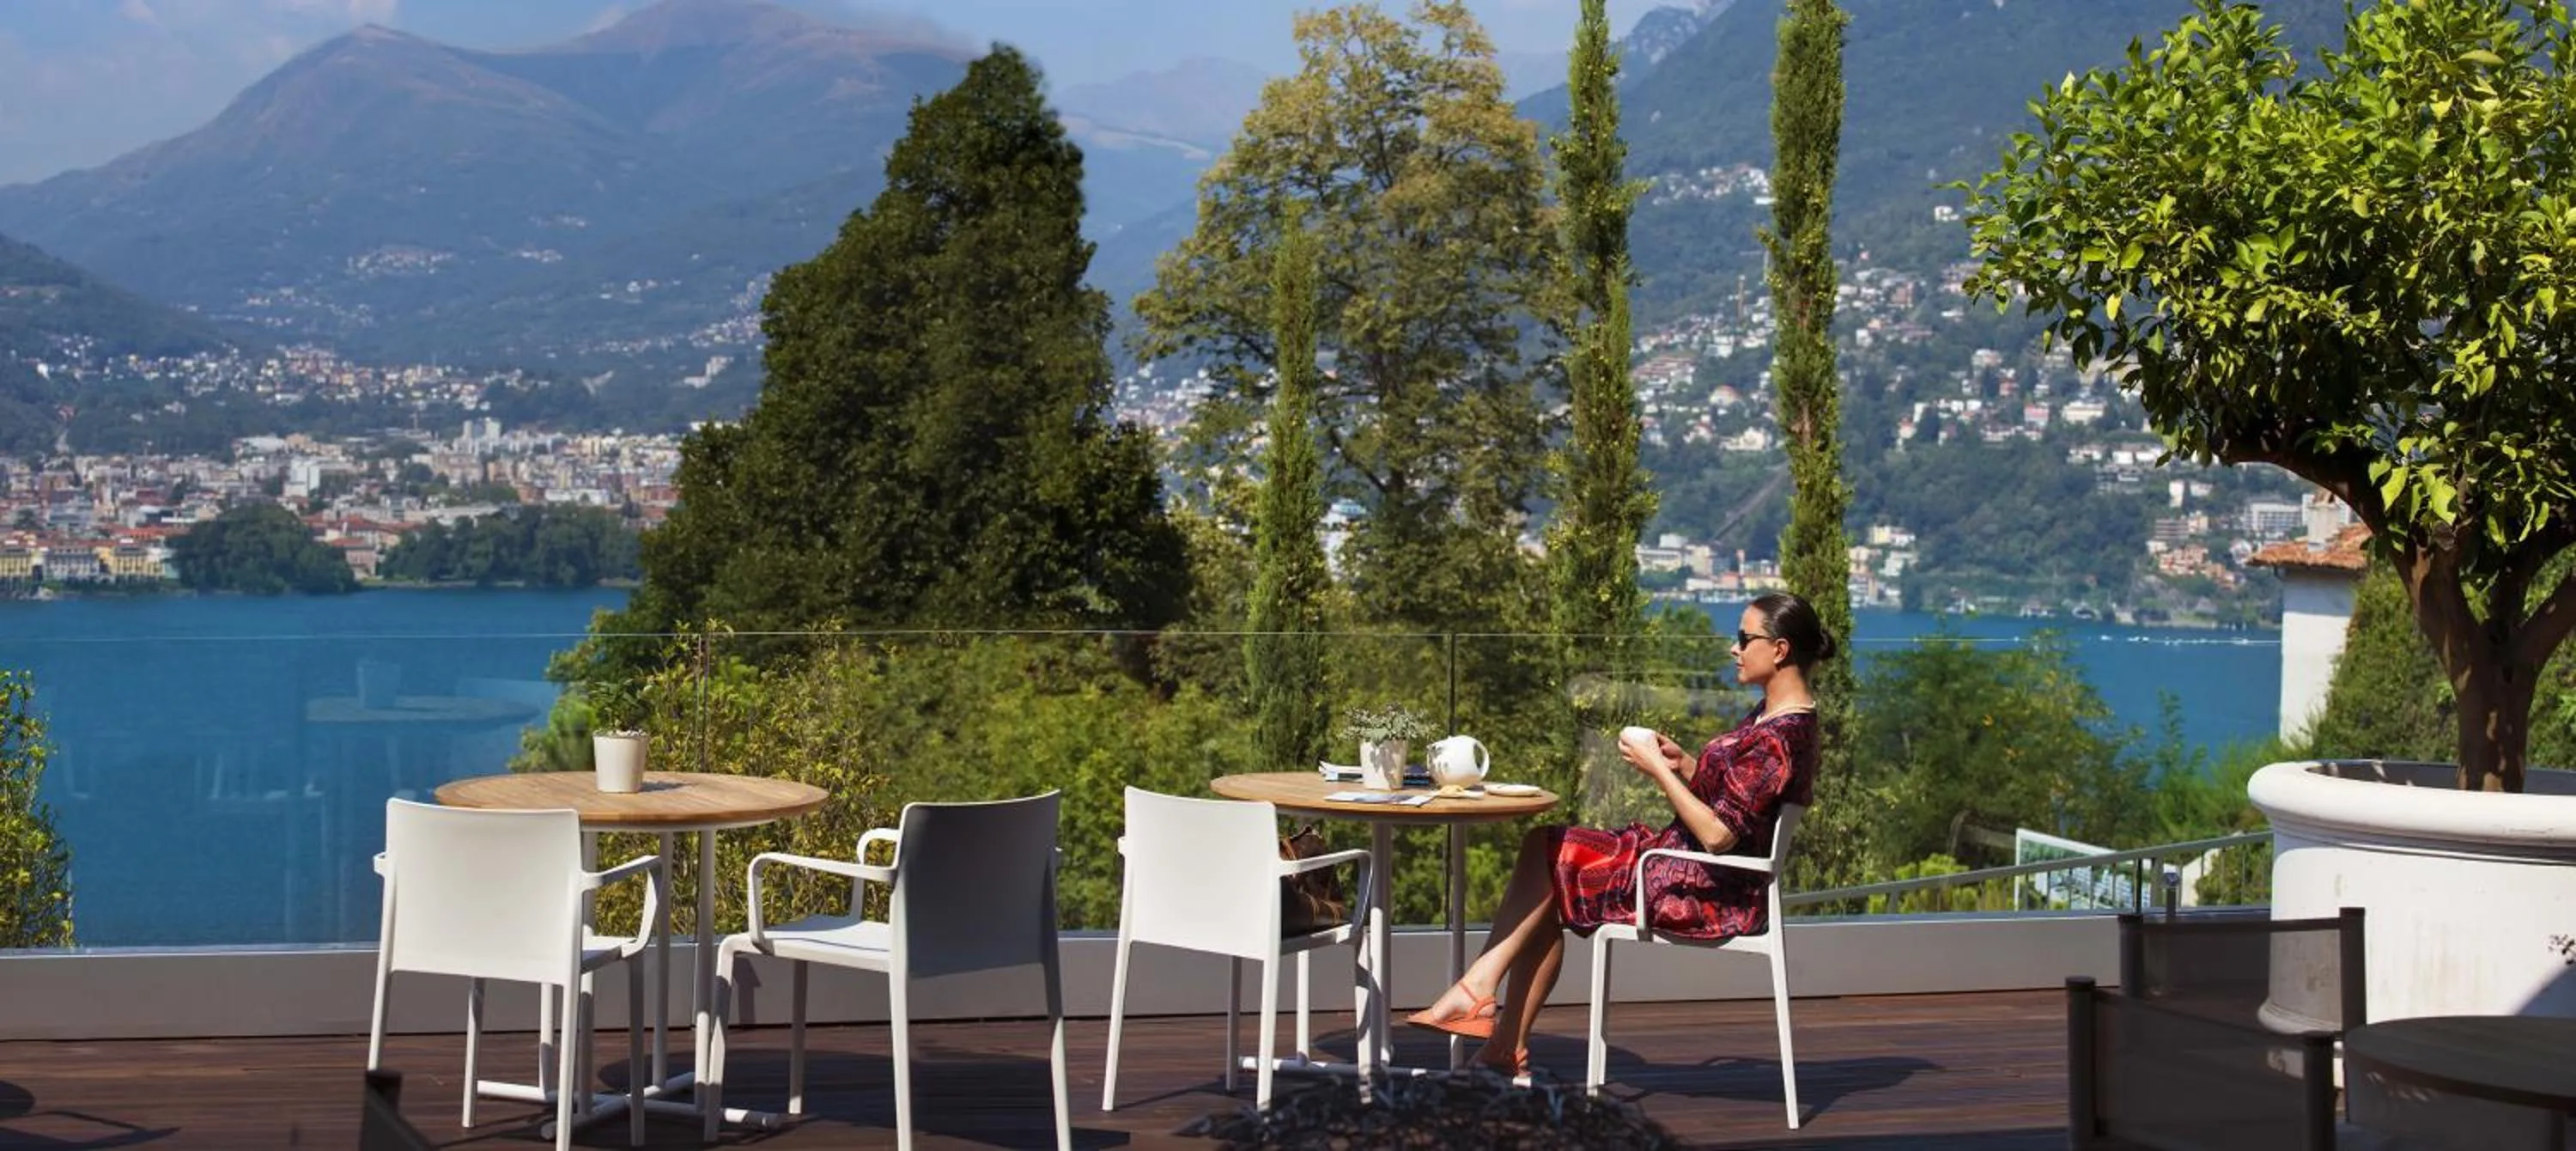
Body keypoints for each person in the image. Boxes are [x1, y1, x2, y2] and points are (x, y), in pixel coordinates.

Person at [1403, 590, 1833, 1077]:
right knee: (1546, 858)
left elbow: (1718, 836)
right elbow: (1738, 805)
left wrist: (1657, 771)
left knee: (1548, 854)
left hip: (1706, 888)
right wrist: (1686, 764)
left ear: (1779, 650)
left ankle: (1482, 1001)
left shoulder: (1781, 738)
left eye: (1743, 639)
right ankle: (1494, 1031)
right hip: (1686, 865)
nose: (1733, 649)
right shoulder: (1772, 718)